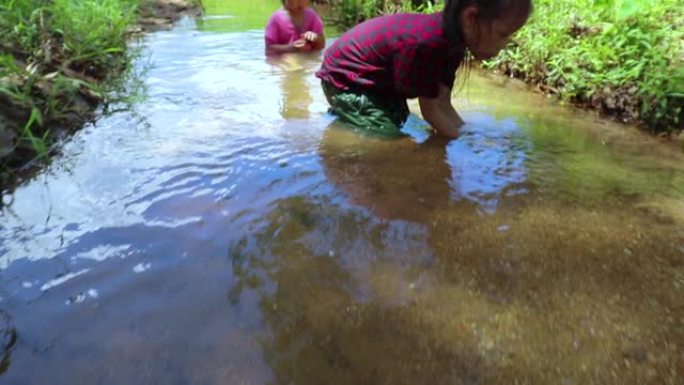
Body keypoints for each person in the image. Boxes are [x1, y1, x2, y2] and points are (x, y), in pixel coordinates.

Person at [315, 0, 532, 138]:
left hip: (373, 79)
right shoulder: (430, 43)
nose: (504, 45)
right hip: (344, 79)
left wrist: (468, 134)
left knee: (399, 117)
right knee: (392, 140)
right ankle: (346, 117)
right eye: (503, 34)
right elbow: (430, 112)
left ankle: (347, 117)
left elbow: (443, 103)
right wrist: (464, 147)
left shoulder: (454, 44)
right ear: (470, 18)